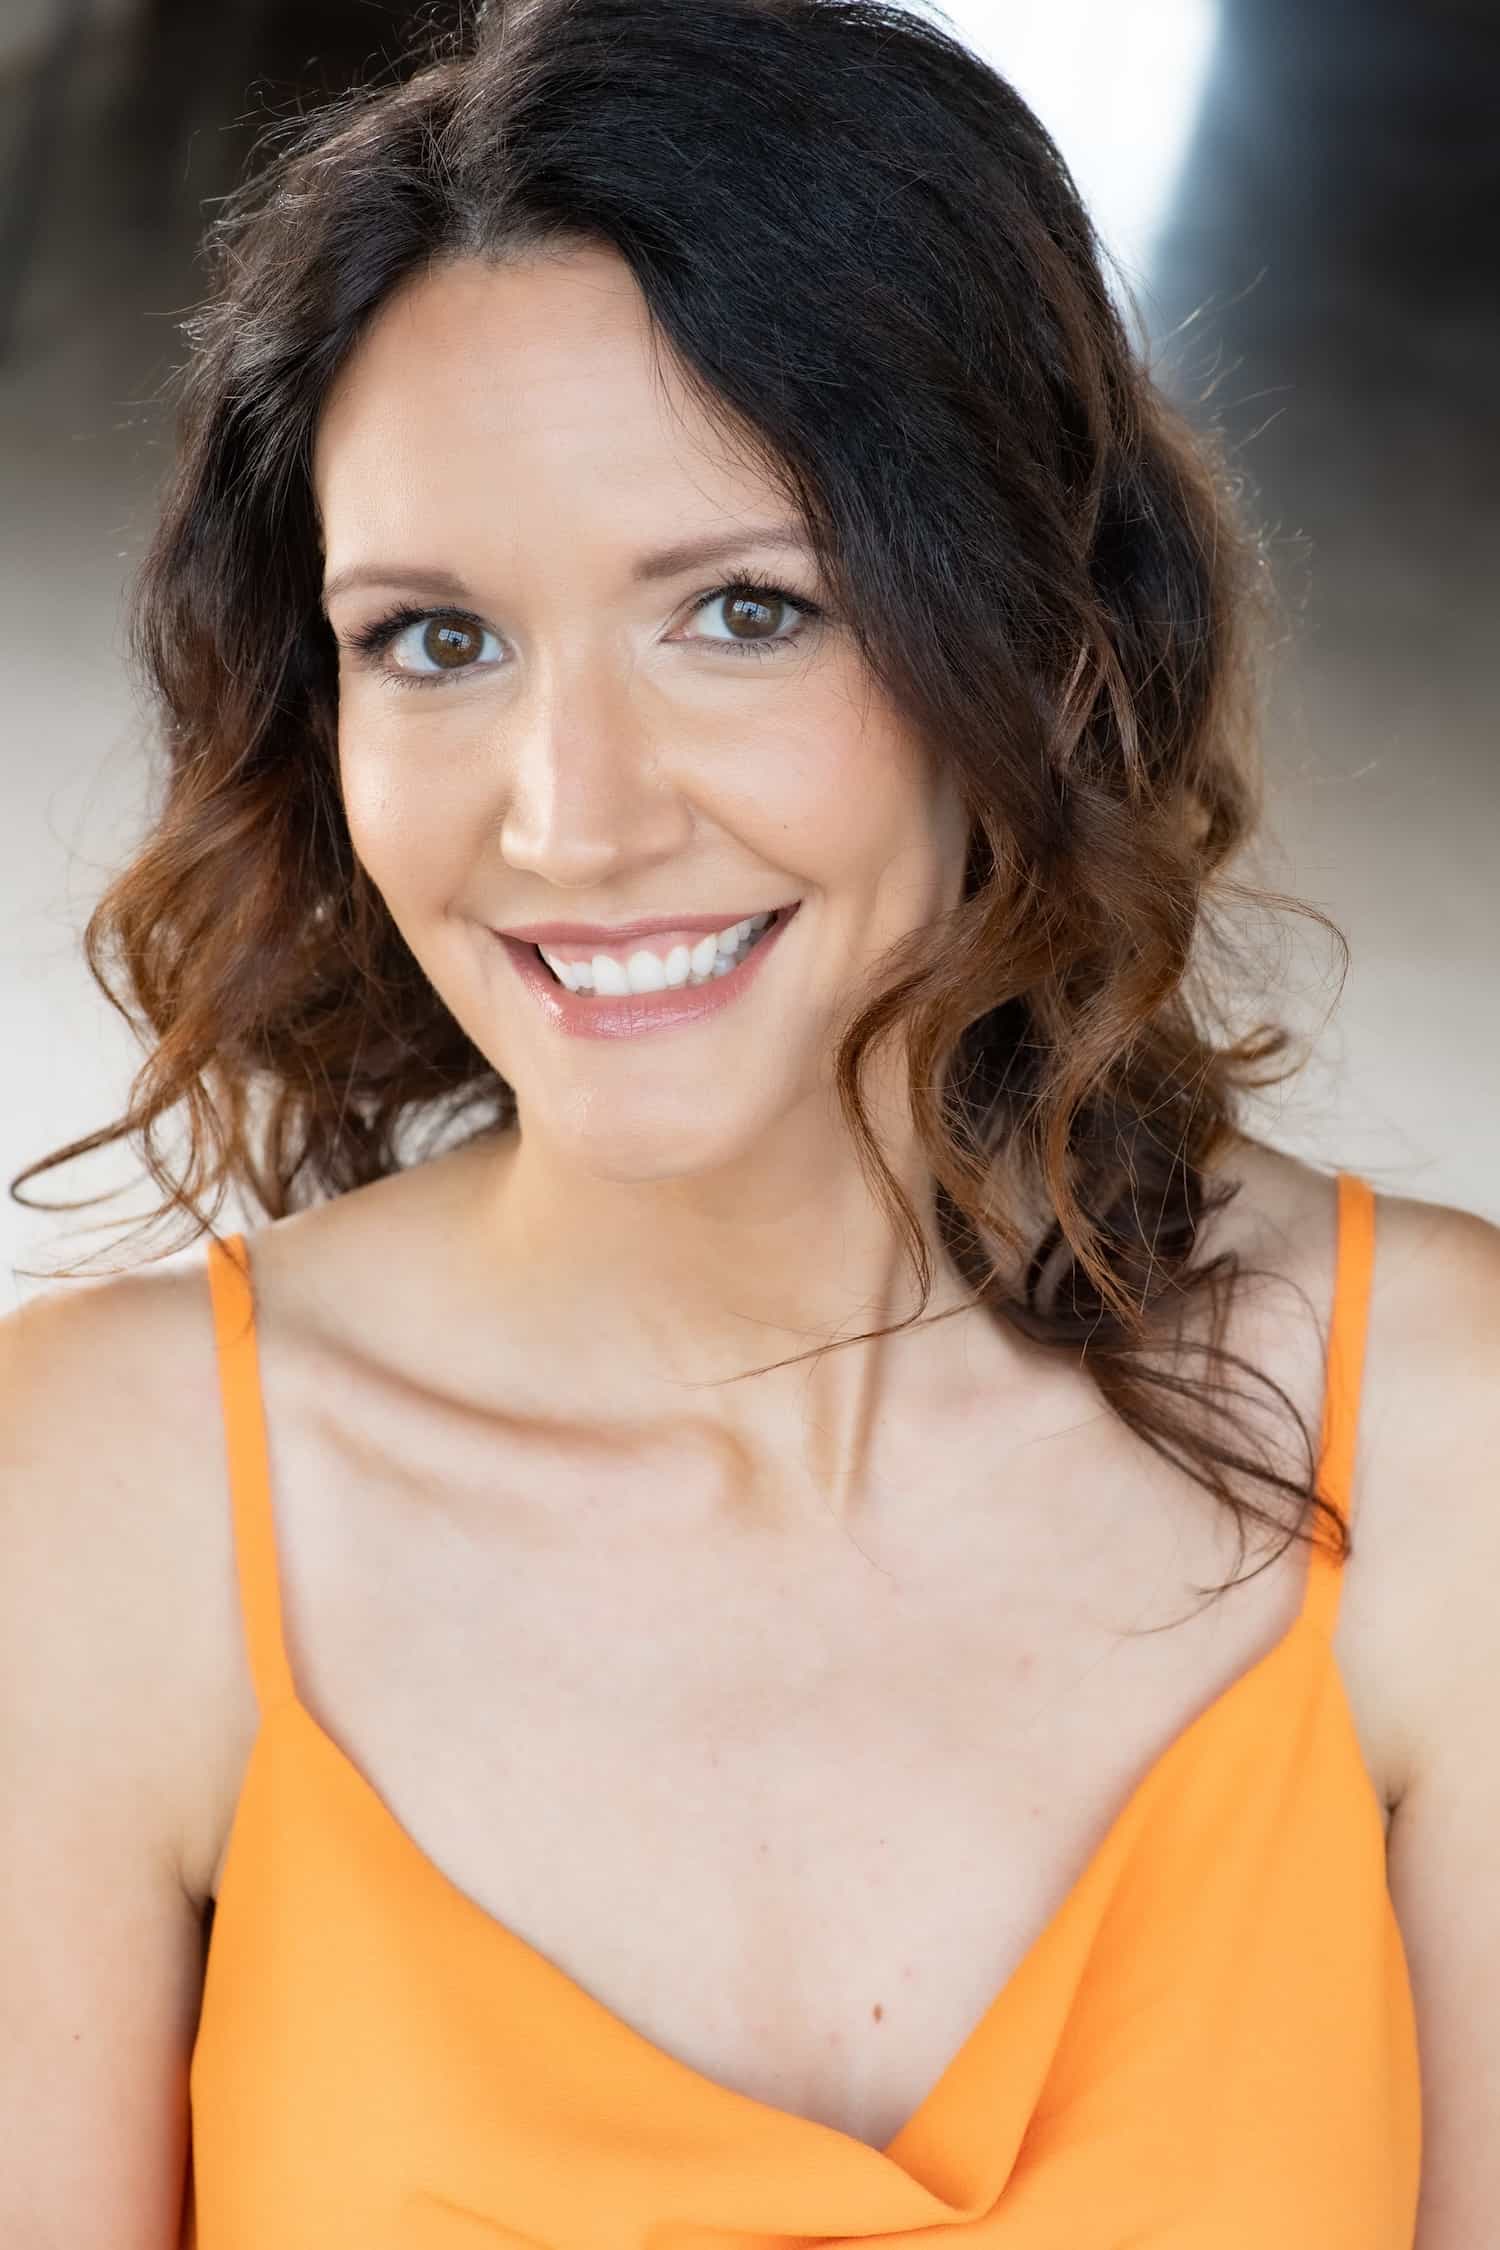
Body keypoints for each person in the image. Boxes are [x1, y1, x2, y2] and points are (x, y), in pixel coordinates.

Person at [2, 0, 1496, 2241]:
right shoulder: (104, 1508)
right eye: (436, 641)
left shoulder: (1445, 1440)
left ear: (1041, 631)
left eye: (740, 611)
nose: (571, 821)